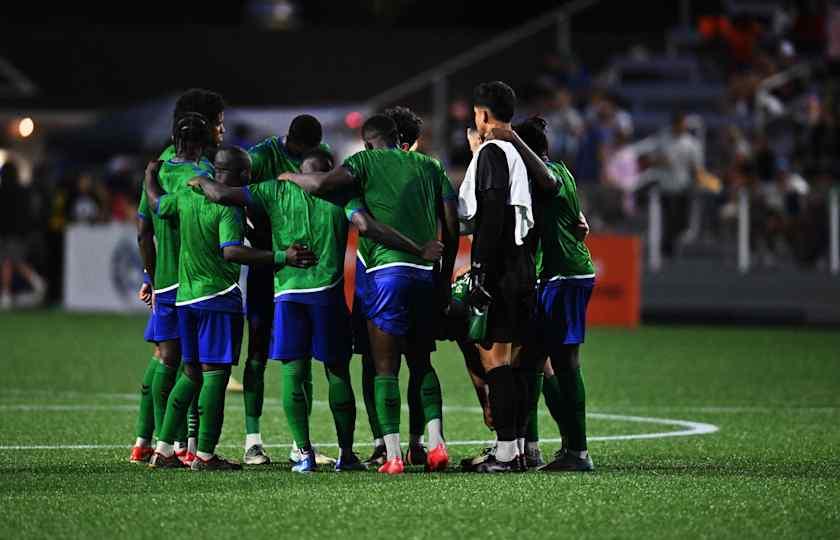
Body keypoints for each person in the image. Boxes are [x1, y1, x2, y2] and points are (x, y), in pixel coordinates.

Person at [281, 114, 460, 474]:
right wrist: (443, 277)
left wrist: (290, 176)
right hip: (425, 276)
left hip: (386, 275)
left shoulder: (363, 162)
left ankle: (391, 455)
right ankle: (436, 445)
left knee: (384, 367)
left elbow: (321, 185)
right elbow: (452, 226)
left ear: (366, 143)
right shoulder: (431, 166)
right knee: (422, 361)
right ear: (397, 137)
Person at [147, 143, 298, 470]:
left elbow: (157, 205)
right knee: (215, 376)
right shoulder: (228, 207)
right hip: (218, 297)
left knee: (190, 374)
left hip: (186, 299)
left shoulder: (187, 194)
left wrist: (149, 176)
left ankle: (163, 449)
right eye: (248, 173)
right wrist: (281, 257)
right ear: (241, 174)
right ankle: (204, 455)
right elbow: (231, 252)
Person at [241, 114, 332, 466]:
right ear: (290, 139)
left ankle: (300, 444)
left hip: (303, 272)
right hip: (269, 264)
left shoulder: (320, 155)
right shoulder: (261, 156)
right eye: (302, 150)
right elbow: (238, 195)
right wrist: (260, 240)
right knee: (257, 350)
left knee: (301, 356)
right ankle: (252, 441)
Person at [458, 81, 537, 473]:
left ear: (483, 115)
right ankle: (518, 447)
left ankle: (505, 453)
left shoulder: (492, 151)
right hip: (523, 266)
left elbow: (491, 212)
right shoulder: (518, 152)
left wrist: (479, 271)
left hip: (501, 269)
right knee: (516, 363)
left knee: (496, 361)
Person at [130, 108, 216, 465]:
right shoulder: (204, 174)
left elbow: (143, 232)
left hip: (165, 280)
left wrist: (151, 276)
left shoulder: (157, 171)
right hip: (196, 280)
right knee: (195, 367)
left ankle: (148, 442)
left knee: (166, 358)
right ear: (203, 142)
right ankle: (184, 445)